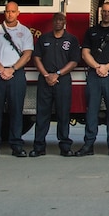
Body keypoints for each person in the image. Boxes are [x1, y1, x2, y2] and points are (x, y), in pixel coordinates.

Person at [0, 2, 35, 157]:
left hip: (16, 74)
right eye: (7, 11)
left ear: (18, 13)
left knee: (16, 111)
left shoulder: (24, 32)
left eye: (13, 11)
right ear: (5, 13)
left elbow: (27, 54)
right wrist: (1, 69)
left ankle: (16, 145)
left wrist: (13, 69)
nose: (10, 14)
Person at [78, 2, 109, 157]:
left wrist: (106, 67)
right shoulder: (91, 31)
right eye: (104, 11)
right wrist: (97, 67)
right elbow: (85, 53)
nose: (106, 14)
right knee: (91, 112)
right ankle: (88, 145)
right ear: (100, 13)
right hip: (94, 75)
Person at [29, 12, 81, 157]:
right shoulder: (44, 38)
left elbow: (74, 61)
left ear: (65, 22)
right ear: (52, 22)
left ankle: (65, 146)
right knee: (42, 114)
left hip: (62, 80)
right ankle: (39, 147)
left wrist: (58, 74)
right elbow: (37, 58)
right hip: (45, 80)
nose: (58, 22)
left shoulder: (72, 40)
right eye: (56, 20)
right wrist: (46, 74)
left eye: (61, 20)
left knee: (63, 114)